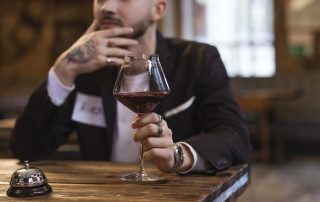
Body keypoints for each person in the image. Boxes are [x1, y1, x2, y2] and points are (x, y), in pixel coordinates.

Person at [10, 0, 251, 174]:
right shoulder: (84, 71)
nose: (107, 7)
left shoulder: (198, 60)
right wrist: (64, 69)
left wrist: (178, 155)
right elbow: (26, 147)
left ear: (158, 8)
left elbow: (236, 138)